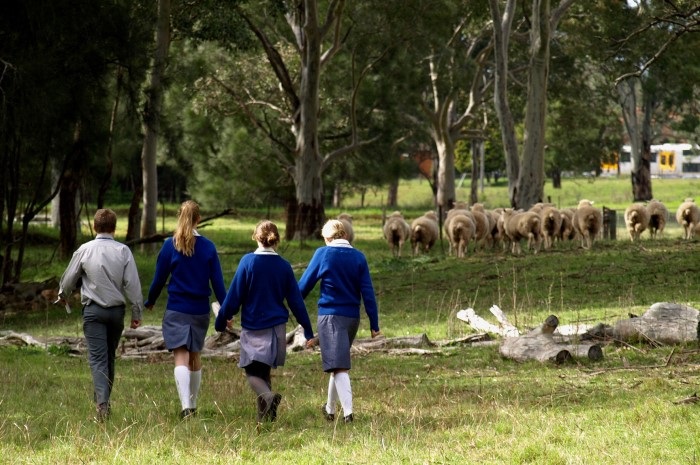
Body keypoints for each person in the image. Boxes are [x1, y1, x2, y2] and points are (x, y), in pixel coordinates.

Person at [215, 220, 314, 423]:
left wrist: (221, 319)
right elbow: (296, 302)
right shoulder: (284, 266)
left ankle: (269, 398)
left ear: (256, 237)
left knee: (251, 372)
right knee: (264, 372)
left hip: (253, 327)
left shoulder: (248, 262)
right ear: (276, 240)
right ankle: (265, 420)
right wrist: (308, 329)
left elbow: (234, 296)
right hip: (276, 328)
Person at [58, 208, 144, 421]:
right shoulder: (124, 251)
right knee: (109, 358)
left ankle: (102, 405)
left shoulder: (84, 250)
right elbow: (132, 284)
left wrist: (63, 295)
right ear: (115, 228)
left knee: (97, 359)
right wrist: (136, 311)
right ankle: (103, 402)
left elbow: (69, 279)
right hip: (116, 312)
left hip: (93, 311)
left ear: (95, 227)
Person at [145, 200, 226, 419]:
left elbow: (159, 279)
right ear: (198, 219)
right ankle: (193, 403)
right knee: (195, 356)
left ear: (179, 217)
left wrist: (150, 300)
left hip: (177, 309)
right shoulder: (208, 247)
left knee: (180, 355)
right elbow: (218, 283)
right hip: (199, 310)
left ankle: (185, 407)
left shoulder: (170, 245)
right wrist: (226, 310)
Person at [298, 219, 382, 424]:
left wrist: (291, 301)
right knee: (337, 362)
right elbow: (368, 293)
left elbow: (303, 287)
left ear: (327, 238)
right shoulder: (359, 257)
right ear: (344, 234)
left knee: (339, 366)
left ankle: (348, 413)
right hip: (352, 318)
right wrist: (374, 324)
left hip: (330, 317)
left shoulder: (323, 254)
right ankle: (329, 409)